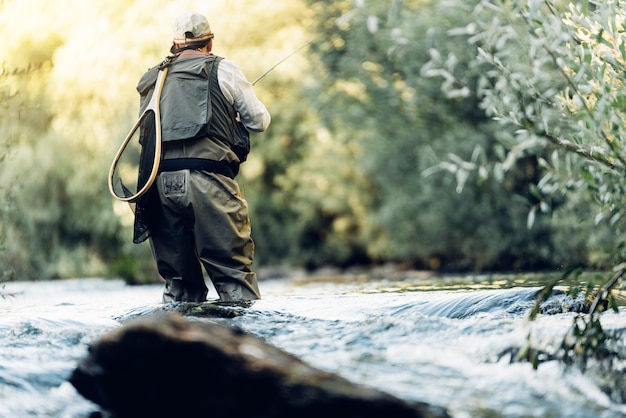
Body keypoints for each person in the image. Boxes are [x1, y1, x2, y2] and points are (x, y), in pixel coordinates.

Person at [133, 11, 270, 303]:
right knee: (234, 278)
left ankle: (176, 343)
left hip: (157, 187)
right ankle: (241, 344)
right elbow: (259, 121)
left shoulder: (151, 78)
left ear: (174, 45)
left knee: (180, 287)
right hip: (208, 182)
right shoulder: (224, 68)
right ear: (210, 43)